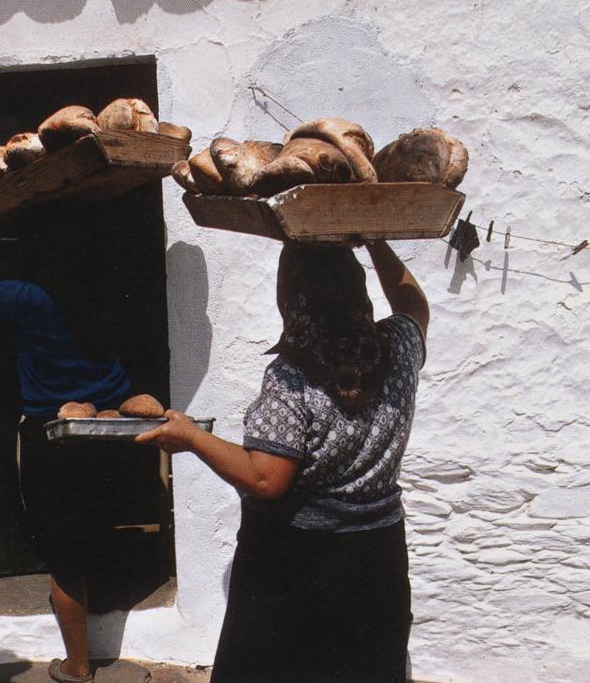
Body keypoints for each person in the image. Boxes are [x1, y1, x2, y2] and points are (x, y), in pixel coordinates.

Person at [137, 240, 428, 683]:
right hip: (377, 555)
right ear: (359, 289)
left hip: (299, 560)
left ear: (292, 299)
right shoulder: (399, 348)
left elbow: (266, 478)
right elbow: (411, 301)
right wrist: (375, 239)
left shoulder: (293, 374)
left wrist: (192, 437)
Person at [0, 199, 140, 683]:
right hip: (110, 433)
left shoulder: (30, 297)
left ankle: (78, 666)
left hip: (55, 434)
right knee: (96, 533)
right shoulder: (110, 291)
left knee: (65, 556)